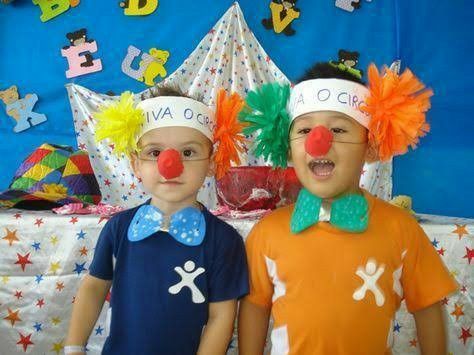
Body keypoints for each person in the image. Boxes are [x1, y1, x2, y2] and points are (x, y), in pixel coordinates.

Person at [238, 62, 458, 354]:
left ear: (369, 145)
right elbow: (254, 308)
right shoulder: (266, 233)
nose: (318, 143)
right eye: (304, 129)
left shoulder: (401, 228)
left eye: (338, 129)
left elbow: (428, 307)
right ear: (288, 147)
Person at [65, 87, 249, 355]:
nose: (170, 165)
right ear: (135, 164)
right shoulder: (118, 228)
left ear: (211, 162)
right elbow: (93, 287)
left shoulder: (224, 240)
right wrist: (73, 347)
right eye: (154, 152)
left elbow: (221, 317)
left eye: (188, 153)